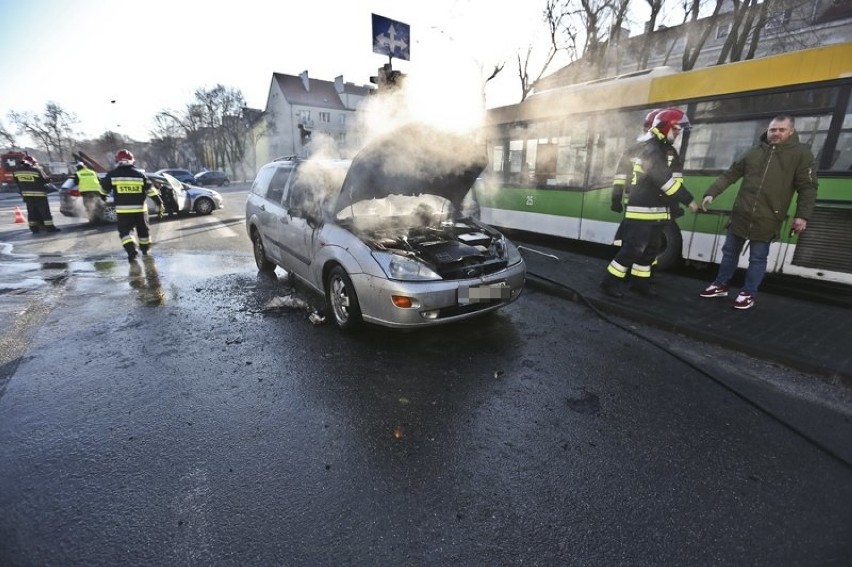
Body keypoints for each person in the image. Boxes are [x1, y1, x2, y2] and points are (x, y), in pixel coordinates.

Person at [699, 115, 818, 310]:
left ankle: (748, 293)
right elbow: (731, 174)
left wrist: (802, 216)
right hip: (741, 214)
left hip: (769, 217)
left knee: (758, 258)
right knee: (729, 253)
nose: (776, 133)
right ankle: (721, 284)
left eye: (781, 129)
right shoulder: (754, 151)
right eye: (773, 130)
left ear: (791, 131)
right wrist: (712, 192)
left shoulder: (801, 154)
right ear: (768, 131)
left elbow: (808, 187)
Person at [602, 107, 699, 298]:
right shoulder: (651, 150)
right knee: (632, 249)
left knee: (650, 251)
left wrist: (673, 206)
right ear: (664, 127)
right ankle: (609, 283)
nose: (679, 133)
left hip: (658, 212)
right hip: (641, 210)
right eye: (676, 129)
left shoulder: (667, 150)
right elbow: (664, 181)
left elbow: (675, 179)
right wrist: (689, 201)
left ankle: (640, 283)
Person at [100, 149, 164, 262]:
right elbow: (152, 191)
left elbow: (103, 191)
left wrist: (102, 199)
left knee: (125, 232)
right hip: (140, 210)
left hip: (123, 211)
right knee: (143, 231)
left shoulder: (112, 175)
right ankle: (145, 250)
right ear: (132, 161)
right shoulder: (140, 175)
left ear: (117, 161)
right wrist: (159, 203)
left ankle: (131, 250)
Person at [12, 154, 60, 234]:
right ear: (32, 163)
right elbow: (44, 181)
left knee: (31, 212)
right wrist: (49, 179)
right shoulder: (36, 170)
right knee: (45, 212)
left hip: (27, 195)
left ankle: (34, 228)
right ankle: (50, 228)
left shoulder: (16, 172)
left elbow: (17, 182)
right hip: (39, 194)